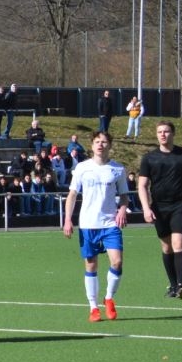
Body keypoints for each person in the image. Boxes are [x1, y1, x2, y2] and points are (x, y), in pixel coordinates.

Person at [65, 131, 131, 322]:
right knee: (91, 265)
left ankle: (109, 297)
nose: (100, 145)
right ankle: (93, 307)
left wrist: (122, 209)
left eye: (104, 142)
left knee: (117, 262)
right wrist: (68, 219)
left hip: (110, 223)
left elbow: (124, 195)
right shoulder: (82, 168)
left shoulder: (117, 169)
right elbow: (72, 195)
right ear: (92, 145)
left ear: (110, 145)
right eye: (97, 142)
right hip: (88, 223)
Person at [135, 121, 182, 299]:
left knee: (178, 244)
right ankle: (173, 285)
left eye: (166, 131)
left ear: (173, 133)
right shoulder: (149, 158)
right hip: (159, 207)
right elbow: (142, 185)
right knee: (167, 247)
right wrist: (146, 208)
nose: (163, 134)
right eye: (160, 131)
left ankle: (181, 285)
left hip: (181, 204)